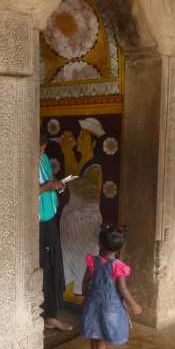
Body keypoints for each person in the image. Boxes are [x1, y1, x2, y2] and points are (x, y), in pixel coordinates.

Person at [80, 225, 142, 349]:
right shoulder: (117, 266)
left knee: (95, 329)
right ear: (120, 249)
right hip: (109, 305)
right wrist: (134, 304)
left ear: (99, 244)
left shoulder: (92, 261)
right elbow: (122, 288)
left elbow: (86, 280)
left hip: (92, 300)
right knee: (102, 332)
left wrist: (85, 295)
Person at [59, 118, 105, 298]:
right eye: (79, 138)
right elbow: (70, 179)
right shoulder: (81, 164)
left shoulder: (95, 167)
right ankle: (70, 291)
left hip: (86, 221)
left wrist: (67, 152)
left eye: (83, 139)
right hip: (72, 219)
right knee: (70, 258)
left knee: (84, 258)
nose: (78, 141)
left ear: (93, 143)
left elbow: (78, 186)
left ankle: (82, 293)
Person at [39, 134, 72, 331]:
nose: (42, 153)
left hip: (49, 216)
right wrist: (46, 187)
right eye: (40, 149)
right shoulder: (22, 159)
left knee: (52, 265)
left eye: (43, 149)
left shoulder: (43, 159)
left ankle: (51, 316)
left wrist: (57, 185)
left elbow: (49, 180)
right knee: (39, 266)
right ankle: (37, 317)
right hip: (34, 221)